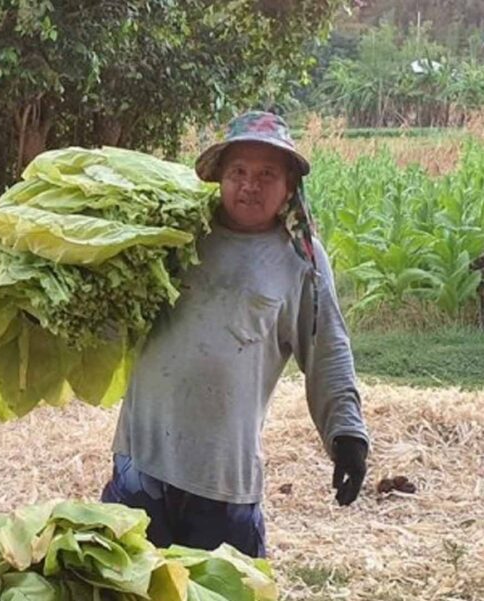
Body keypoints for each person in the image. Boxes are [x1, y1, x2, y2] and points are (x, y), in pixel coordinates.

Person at [101, 111, 370, 558]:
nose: (250, 185)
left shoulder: (300, 259)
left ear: (288, 186)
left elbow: (329, 351)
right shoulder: (174, 236)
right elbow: (115, 310)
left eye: (267, 174)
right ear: (220, 178)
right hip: (141, 462)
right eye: (238, 172)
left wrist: (347, 436)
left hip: (223, 478)